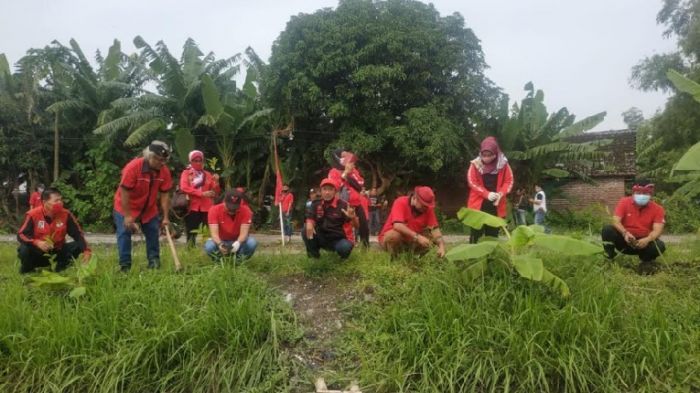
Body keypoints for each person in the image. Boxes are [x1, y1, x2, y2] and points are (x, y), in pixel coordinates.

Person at [113, 141, 173, 272]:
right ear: (150, 156)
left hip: (149, 209)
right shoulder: (133, 167)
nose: (162, 163)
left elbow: (164, 195)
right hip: (126, 206)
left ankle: (154, 263)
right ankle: (125, 266)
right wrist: (128, 216)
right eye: (160, 160)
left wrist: (166, 218)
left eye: (165, 160)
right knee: (124, 233)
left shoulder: (164, 171)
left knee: (152, 233)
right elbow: (124, 192)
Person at [17, 187, 91, 273]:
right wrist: (37, 243)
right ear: (45, 202)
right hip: (39, 252)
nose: (60, 203)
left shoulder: (66, 214)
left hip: (57, 250)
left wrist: (86, 251)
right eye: (56, 201)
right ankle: (27, 271)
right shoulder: (33, 215)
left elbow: (78, 234)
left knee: (78, 245)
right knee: (24, 249)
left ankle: (61, 270)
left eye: (60, 200)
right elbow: (21, 234)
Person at [601, 181, 666, 274]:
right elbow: (615, 220)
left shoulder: (658, 209)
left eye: (645, 193)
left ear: (651, 194)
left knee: (660, 246)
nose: (642, 196)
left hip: (644, 243)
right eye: (639, 193)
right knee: (607, 229)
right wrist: (625, 233)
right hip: (625, 240)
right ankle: (609, 258)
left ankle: (646, 262)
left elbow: (657, 230)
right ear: (633, 193)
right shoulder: (624, 202)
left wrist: (647, 239)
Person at [466, 137, 514, 243]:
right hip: (478, 206)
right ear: (481, 153)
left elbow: (509, 181)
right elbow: (472, 182)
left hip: (495, 206)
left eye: (490, 155)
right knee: (475, 235)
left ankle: (491, 259)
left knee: (492, 236)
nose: (486, 158)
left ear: (495, 153)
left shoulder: (504, 164)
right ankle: (474, 258)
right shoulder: (475, 164)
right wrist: (486, 194)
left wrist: (501, 193)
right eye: (484, 155)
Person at [379, 186, 446, 258]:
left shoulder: (427, 209)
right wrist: (418, 237)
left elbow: (435, 229)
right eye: (423, 205)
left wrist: (441, 247)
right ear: (414, 198)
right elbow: (397, 225)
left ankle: (414, 258)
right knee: (394, 236)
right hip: (390, 239)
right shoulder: (400, 202)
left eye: (427, 206)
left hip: (411, 240)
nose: (425, 208)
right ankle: (394, 258)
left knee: (432, 237)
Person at [303, 178, 359, 259]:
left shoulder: (344, 205)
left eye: (330, 190)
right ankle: (314, 257)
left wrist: (353, 217)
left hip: (338, 239)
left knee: (345, 247)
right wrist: (309, 224)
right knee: (305, 230)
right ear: (320, 191)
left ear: (335, 191)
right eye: (324, 189)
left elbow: (356, 226)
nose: (327, 192)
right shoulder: (315, 204)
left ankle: (342, 260)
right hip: (321, 238)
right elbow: (310, 218)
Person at [328, 149, 370, 247]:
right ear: (338, 158)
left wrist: (349, 173)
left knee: (363, 225)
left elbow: (360, 183)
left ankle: (365, 247)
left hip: (356, 203)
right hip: (342, 204)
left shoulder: (354, 171)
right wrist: (345, 173)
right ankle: (342, 245)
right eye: (343, 156)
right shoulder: (333, 172)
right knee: (343, 226)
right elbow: (335, 187)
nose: (347, 158)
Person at [179, 150, 221, 247]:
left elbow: (216, 192)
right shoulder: (186, 173)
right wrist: (201, 194)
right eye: (195, 160)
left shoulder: (208, 174)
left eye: (200, 160)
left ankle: (210, 251)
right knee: (191, 233)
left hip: (207, 207)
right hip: (192, 207)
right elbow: (184, 188)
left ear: (203, 161)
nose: (198, 163)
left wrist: (217, 182)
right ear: (191, 161)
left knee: (209, 232)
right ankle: (191, 252)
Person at [204, 188, 257, 261]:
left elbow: (244, 234)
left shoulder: (246, 210)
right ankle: (219, 262)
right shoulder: (214, 210)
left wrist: (238, 243)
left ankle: (238, 262)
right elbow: (214, 234)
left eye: (234, 208)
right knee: (209, 246)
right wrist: (220, 244)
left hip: (238, 240)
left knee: (252, 243)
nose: (231, 211)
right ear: (224, 202)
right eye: (229, 208)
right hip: (221, 240)